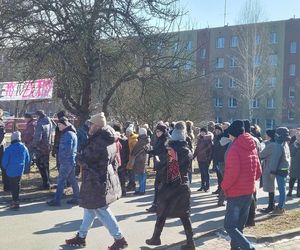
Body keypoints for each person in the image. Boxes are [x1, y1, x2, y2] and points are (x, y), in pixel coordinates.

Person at [65, 112, 127, 250]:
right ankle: (81, 237)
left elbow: (87, 159)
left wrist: (79, 157)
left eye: (91, 124)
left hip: (96, 181)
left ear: (97, 126)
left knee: (101, 210)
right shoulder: (107, 138)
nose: (89, 126)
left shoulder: (99, 141)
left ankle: (119, 239)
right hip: (101, 178)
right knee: (89, 210)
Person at [146, 121, 195, 250]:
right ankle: (191, 243)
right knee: (185, 215)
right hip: (184, 185)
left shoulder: (171, 151)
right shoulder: (188, 151)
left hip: (171, 186)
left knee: (162, 212)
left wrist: (158, 163)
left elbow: (169, 171)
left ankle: (155, 238)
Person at [221, 120, 261, 250]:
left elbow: (232, 174)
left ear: (234, 134)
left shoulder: (234, 149)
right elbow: (258, 172)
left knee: (229, 226)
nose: (228, 136)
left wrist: (223, 186)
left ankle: (248, 247)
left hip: (235, 194)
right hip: (249, 192)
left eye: (229, 134)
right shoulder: (252, 146)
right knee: (239, 227)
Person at [47, 117, 80, 206]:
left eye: (60, 125)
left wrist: (62, 160)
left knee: (61, 180)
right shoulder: (72, 133)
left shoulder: (68, 134)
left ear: (64, 125)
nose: (58, 127)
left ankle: (57, 200)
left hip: (66, 162)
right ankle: (77, 198)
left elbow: (67, 149)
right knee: (73, 180)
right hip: (71, 161)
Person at [2, 131, 30, 209]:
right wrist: (26, 167)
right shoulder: (24, 147)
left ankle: (15, 202)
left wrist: (5, 168)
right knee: (17, 184)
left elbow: (5, 161)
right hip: (20, 169)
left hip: (11, 171)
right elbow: (27, 158)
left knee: (13, 186)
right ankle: (16, 199)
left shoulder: (9, 148)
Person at [145, 123, 169, 213]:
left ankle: (159, 205)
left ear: (163, 131)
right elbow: (157, 152)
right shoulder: (159, 140)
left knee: (161, 187)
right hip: (160, 166)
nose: (157, 133)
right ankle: (157, 205)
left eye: (159, 131)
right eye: (156, 131)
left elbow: (165, 153)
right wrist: (149, 151)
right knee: (158, 187)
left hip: (164, 166)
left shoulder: (166, 140)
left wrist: (153, 152)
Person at [270, 127, 291, 215]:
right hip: (285, 169)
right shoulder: (285, 143)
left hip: (279, 170)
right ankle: (281, 207)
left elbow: (275, 159)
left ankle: (280, 208)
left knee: (282, 190)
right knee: (283, 190)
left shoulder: (278, 145)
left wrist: (272, 171)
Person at [32, 110, 53, 189]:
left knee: (41, 165)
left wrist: (34, 145)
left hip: (40, 147)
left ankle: (46, 183)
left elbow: (38, 137)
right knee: (46, 164)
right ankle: (48, 180)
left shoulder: (40, 124)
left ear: (38, 116)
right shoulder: (49, 121)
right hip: (48, 146)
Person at [259, 129, 277, 213]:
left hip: (269, 167)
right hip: (273, 167)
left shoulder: (270, 145)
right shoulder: (276, 144)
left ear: (269, 136)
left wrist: (261, 148)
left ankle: (271, 206)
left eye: (266, 134)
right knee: (272, 187)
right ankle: (272, 204)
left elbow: (261, 155)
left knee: (270, 188)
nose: (265, 136)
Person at [193, 127, 213, 192]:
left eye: (204, 132)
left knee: (206, 173)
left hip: (206, 159)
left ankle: (207, 186)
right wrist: (194, 156)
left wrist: (209, 159)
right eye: (201, 131)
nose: (202, 133)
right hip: (200, 158)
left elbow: (210, 150)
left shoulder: (208, 139)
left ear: (206, 132)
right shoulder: (199, 139)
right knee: (202, 173)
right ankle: (202, 186)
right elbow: (197, 149)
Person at [132, 128, 150, 195]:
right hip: (144, 159)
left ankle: (142, 190)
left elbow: (134, 151)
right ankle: (141, 189)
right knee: (142, 174)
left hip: (140, 160)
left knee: (141, 175)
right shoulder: (147, 140)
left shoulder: (141, 141)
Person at [113, 123, 129, 197]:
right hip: (123, 159)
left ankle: (118, 191)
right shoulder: (124, 139)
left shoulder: (114, 139)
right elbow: (127, 150)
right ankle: (123, 190)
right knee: (122, 176)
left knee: (116, 176)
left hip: (116, 159)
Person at [125, 125, 139, 191]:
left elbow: (135, 149)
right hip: (130, 156)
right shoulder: (130, 138)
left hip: (133, 157)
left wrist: (133, 156)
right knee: (130, 171)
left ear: (130, 132)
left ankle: (132, 184)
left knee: (132, 171)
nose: (126, 133)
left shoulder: (134, 139)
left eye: (127, 132)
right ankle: (131, 183)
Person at [287, 130, 300, 197]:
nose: (299, 137)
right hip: (295, 164)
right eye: (297, 136)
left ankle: (298, 192)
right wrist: (296, 145)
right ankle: (290, 191)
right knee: (292, 179)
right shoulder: (293, 144)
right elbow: (291, 154)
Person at [0, 109, 8, 191]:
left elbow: (1, 137)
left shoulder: (1, 124)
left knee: (3, 166)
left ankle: (7, 185)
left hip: (1, 147)